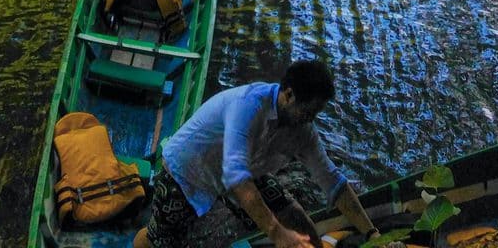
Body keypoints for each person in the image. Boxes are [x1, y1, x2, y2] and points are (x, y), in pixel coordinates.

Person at [133, 60, 391, 248]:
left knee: (297, 221)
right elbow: (236, 178)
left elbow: (332, 180)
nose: (311, 119)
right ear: (289, 95)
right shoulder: (248, 106)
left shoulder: (303, 129)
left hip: (244, 170)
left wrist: (372, 233)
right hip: (187, 171)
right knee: (160, 239)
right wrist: (277, 234)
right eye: (309, 111)